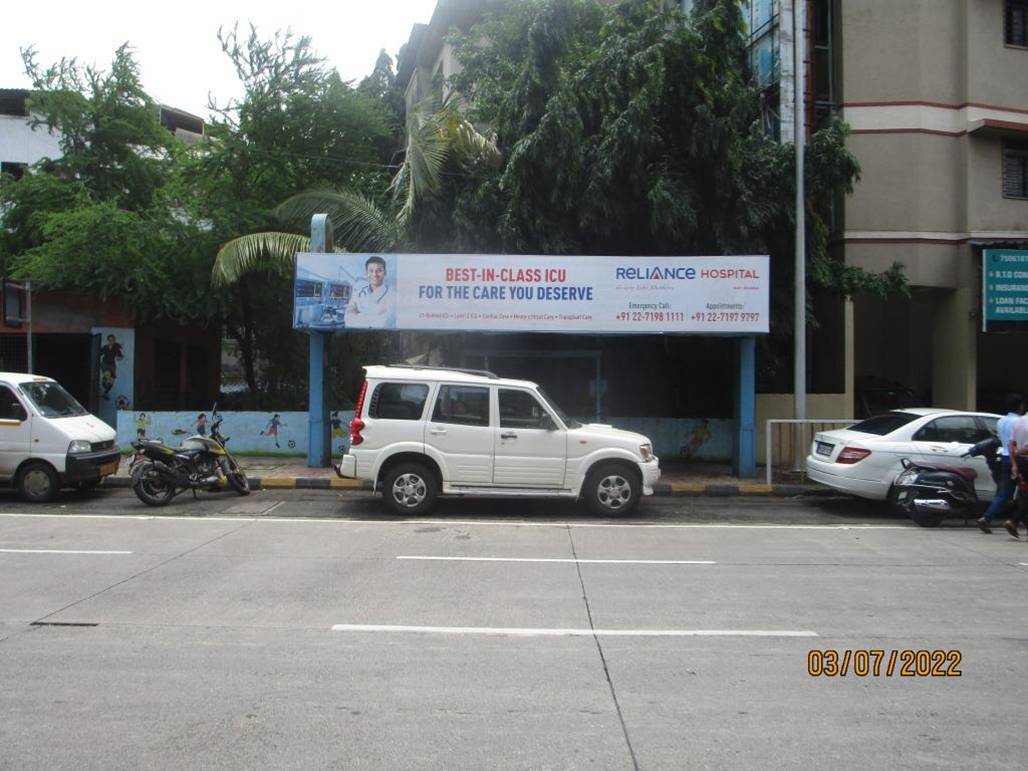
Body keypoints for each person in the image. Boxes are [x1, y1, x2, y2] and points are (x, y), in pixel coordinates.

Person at [977, 393, 1024, 533]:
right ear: (1020, 406)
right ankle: (1014, 521)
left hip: (1004, 456)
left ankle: (987, 517)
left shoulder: (1001, 421)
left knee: (1004, 493)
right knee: (1023, 492)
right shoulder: (1019, 422)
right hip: (1016, 457)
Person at [345, 256, 395, 328]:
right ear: (366, 273)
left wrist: (357, 315)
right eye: (371, 271)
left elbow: (383, 323)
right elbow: (348, 320)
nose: (375, 274)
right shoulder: (358, 293)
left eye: (379, 270)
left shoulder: (392, 295)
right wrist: (375, 316)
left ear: (385, 273)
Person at [1005, 404, 1028, 539]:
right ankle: (1014, 520)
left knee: (1024, 494)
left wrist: (1014, 463)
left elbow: (1011, 444)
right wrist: (1019, 451)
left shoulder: (1019, 421)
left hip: (1020, 462)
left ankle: (1014, 521)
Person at [99, 334, 124, 400]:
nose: (111, 341)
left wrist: (119, 358)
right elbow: (99, 353)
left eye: (112, 340)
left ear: (114, 341)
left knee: (112, 382)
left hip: (112, 365)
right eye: (109, 340)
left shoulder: (116, 348)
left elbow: (121, 356)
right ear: (108, 340)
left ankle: (105, 393)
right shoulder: (105, 347)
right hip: (105, 364)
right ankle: (105, 380)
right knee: (108, 376)